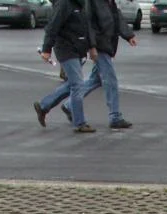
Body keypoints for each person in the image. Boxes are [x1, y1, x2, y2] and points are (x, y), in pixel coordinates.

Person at [55, 0, 136, 130]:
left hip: (106, 44)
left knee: (95, 80)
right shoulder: (92, 2)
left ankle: (69, 105)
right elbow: (88, 24)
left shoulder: (110, 2)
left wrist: (128, 35)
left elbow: (116, 18)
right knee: (110, 80)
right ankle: (115, 116)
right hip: (99, 45)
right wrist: (92, 46)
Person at [34, 0, 96, 134]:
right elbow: (52, 27)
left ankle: (44, 105)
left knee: (73, 84)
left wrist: (91, 47)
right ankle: (80, 123)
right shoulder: (64, 4)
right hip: (66, 49)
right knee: (78, 85)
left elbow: (86, 27)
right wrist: (46, 49)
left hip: (78, 49)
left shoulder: (82, 4)